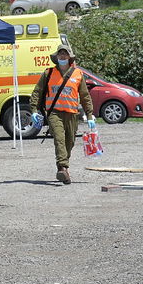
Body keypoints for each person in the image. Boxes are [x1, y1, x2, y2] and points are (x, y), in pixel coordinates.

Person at [29, 45, 96, 185]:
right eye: (60, 54)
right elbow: (37, 92)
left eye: (65, 54)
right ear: (56, 57)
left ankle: (64, 168)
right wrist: (34, 110)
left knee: (69, 142)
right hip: (54, 113)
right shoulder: (48, 73)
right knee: (59, 139)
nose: (63, 57)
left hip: (72, 114)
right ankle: (63, 167)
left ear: (70, 57)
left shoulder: (78, 74)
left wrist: (89, 115)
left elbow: (85, 96)